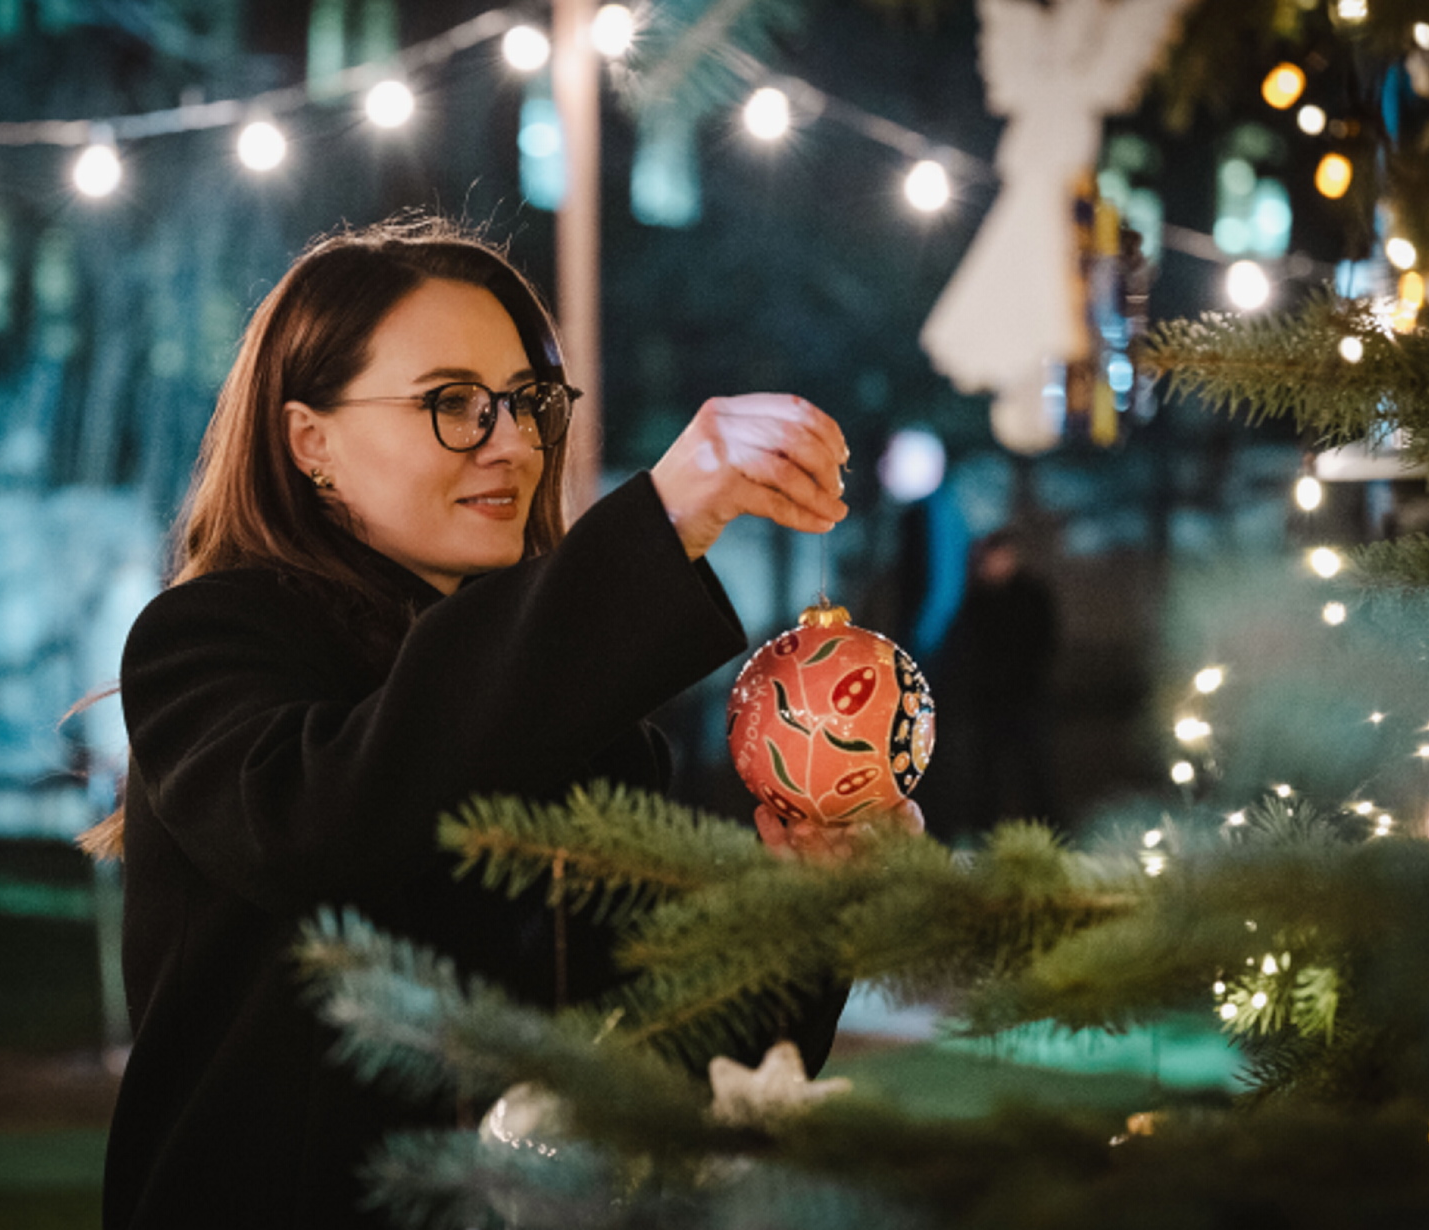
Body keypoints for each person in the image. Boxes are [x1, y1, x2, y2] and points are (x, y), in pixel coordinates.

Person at [86, 217, 855, 1229]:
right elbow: (332, 822)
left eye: (530, 403)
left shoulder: (588, 729)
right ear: (309, 440)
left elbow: (679, 1069)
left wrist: (815, 910)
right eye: (452, 403)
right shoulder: (207, 644)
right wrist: (658, 522)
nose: (512, 442)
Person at [936, 528, 1058, 835]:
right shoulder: (975, 601)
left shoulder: (1032, 595)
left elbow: (1045, 642)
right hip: (987, 702)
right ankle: (983, 835)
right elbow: (965, 649)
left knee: (1034, 773)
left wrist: (1027, 677)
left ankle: (1048, 834)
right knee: (984, 775)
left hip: (1025, 699)